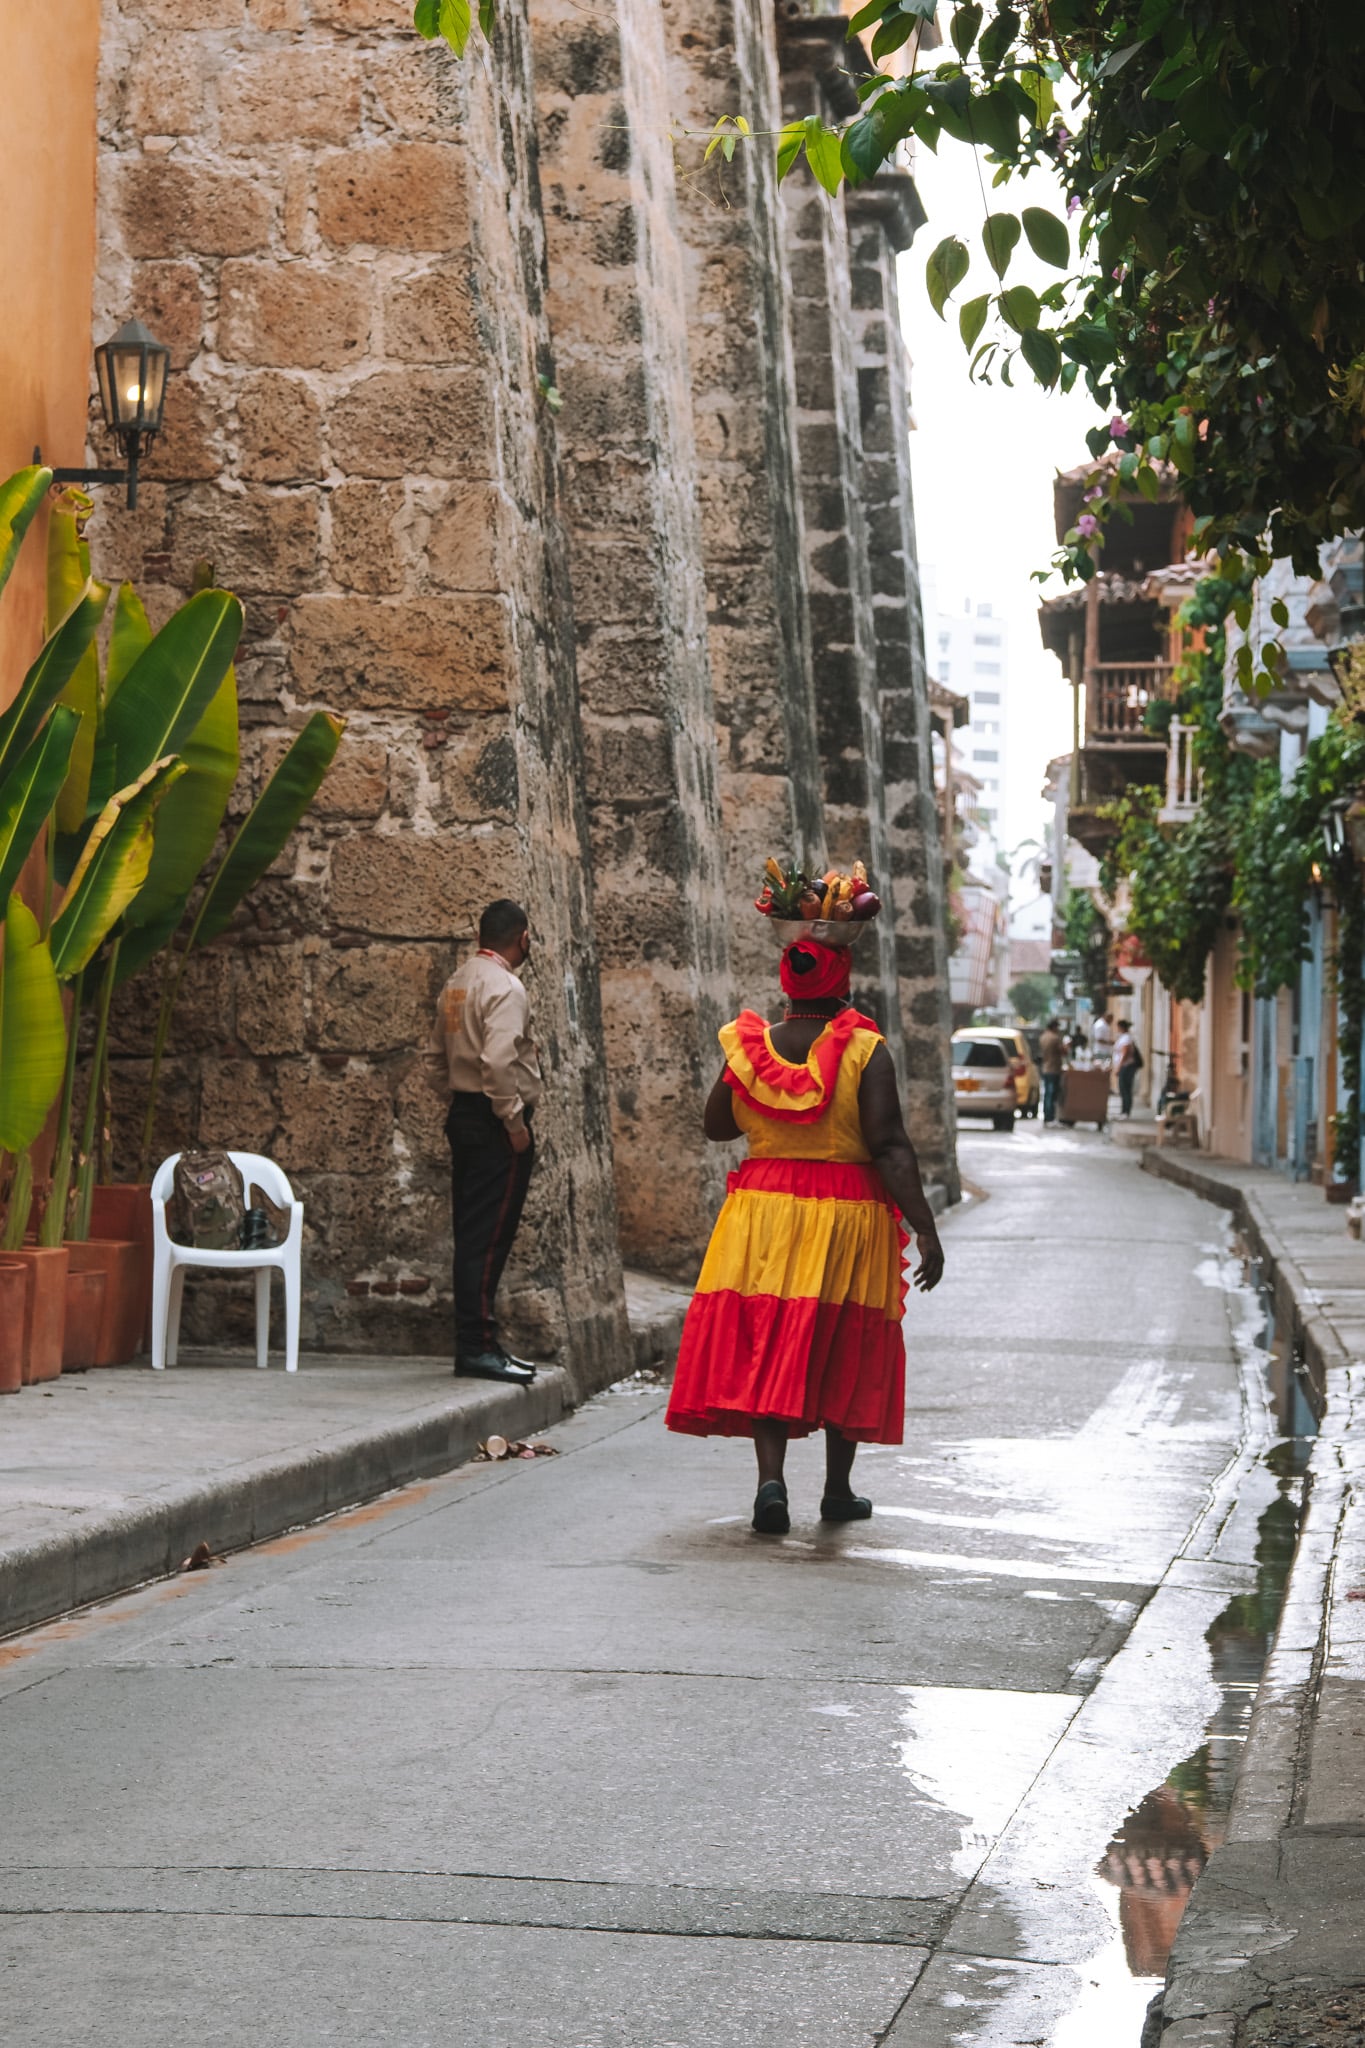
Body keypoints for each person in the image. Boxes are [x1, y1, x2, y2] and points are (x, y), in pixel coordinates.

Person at [665, 927, 945, 1534]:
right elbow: (890, 1146)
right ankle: (837, 1489)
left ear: (786, 982)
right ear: (841, 980)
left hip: (762, 1211)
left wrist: (750, 1085)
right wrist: (924, 1227)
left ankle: (771, 1480)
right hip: (847, 1211)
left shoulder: (753, 1047)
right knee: (843, 1339)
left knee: (771, 1337)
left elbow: (716, 1126)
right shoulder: (866, 1050)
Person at [434, 900, 541, 1386]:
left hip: (464, 1112)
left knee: (472, 1233)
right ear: (522, 938)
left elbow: (441, 1054)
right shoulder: (506, 987)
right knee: (489, 1236)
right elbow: (499, 1063)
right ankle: (477, 1346)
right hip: (494, 1119)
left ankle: (480, 1342)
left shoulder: (457, 982)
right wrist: (514, 1124)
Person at [1038, 1017, 1065, 1124]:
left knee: (1047, 1093)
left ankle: (1047, 1116)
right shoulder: (1054, 1038)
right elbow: (1062, 1051)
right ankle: (1050, 1116)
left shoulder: (1043, 1037)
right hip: (1053, 1068)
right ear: (1054, 1027)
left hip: (1045, 1067)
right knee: (1051, 1093)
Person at [1114, 1019, 1139, 1118]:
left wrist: (1119, 1067)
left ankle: (1126, 1111)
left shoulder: (1126, 1038)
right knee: (1123, 1089)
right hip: (1125, 1066)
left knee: (1125, 1089)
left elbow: (1125, 1053)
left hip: (1126, 1067)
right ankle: (1124, 1111)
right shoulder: (1124, 1037)